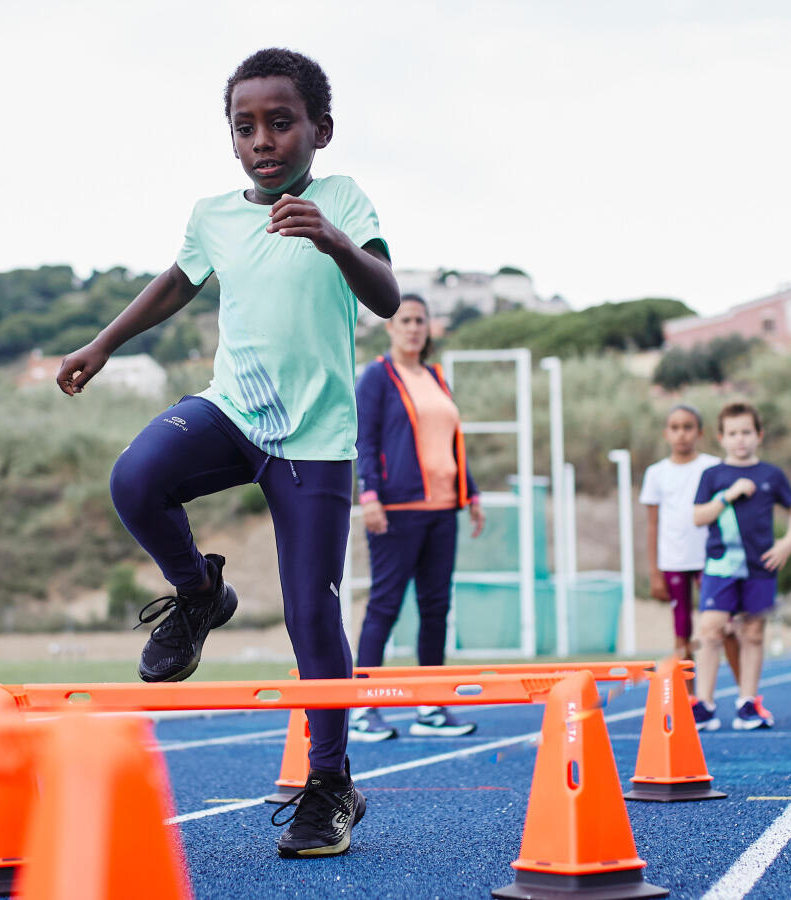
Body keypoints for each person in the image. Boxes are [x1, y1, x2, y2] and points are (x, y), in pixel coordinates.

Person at [54, 47, 398, 859]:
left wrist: (335, 243)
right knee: (136, 480)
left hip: (313, 442)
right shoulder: (214, 214)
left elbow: (386, 296)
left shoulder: (341, 199)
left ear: (321, 130)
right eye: (245, 127)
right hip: (234, 411)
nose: (263, 140)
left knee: (312, 611)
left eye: (281, 123)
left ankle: (330, 785)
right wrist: (100, 346)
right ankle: (198, 592)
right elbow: (176, 284)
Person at [348, 295, 485, 742]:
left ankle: (430, 706)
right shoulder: (377, 377)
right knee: (385, 605)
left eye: (420, 321)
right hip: (396, 509)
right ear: (390, 328)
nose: (413, 328)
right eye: (404, 320)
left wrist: (472, 492)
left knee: (436, 608)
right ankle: (362, 707)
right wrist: (369, 494)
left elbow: (450, 441)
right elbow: (364, 440)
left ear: (429, 328)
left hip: (443, 509)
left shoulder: (437, 377)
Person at [690, 401, 791, 731]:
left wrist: (787, 543)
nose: (740, 440)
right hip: (720, 566)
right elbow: (698, 517)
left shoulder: (772, 474)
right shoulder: (712, 475)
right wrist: (729, 495)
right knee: (710, 630)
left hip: (760, 567)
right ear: (721, 437)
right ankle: (705, 705)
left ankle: (747, 703)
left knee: (753, 634)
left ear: (759, 435)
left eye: (746, 432)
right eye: (732, 433)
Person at [641, 403, 742, 677]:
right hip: (673, 560)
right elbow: (652, 524)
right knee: (682, 632)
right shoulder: (656, 473)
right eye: (675, 428)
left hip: (711, 560)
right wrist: (654, 572)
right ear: (666, 434)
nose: (681, 434)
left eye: (688, 427)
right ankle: (690, 702)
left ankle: (746, 695)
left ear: (700, 432)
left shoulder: (713, 467)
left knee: (725, 626)